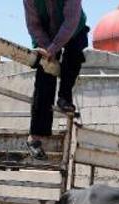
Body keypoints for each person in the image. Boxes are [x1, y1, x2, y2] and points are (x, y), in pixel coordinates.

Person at [24, 0, 89, 160]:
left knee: (73, 57)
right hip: (45, 35)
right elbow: (33, 25)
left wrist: (54, 48)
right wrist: (47, 49)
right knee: (44, 74)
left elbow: (70, 22)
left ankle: (64, 98)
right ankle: (36, 136)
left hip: (73, 31)